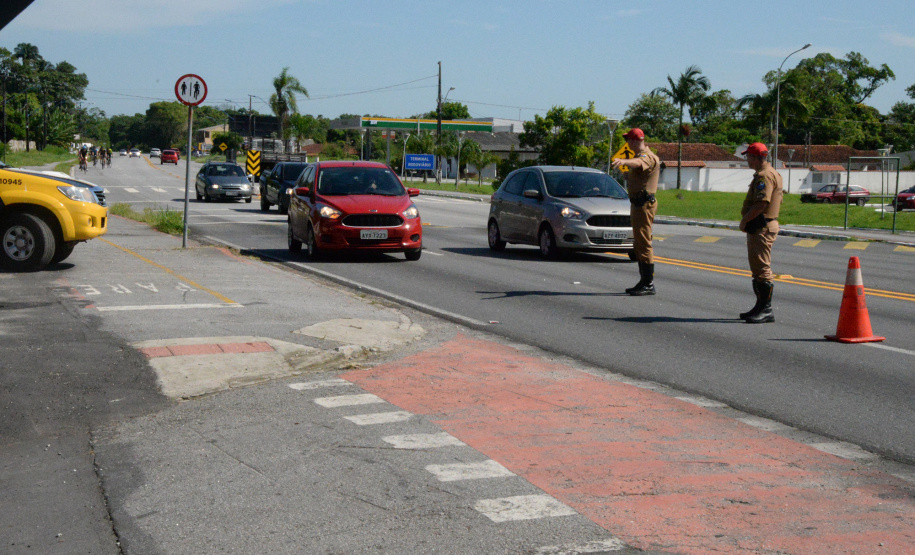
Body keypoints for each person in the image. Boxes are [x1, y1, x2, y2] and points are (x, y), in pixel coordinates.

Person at [611, 128, 660, 296]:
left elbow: (639, 163)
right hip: (637, 204)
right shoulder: (638, 157)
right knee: (638, 243)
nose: (627, 143)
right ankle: (643, 281)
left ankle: (648, 283)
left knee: (644, 242)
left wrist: (624, 162)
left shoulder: (646, 156)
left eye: (628, 140)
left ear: (634, 141)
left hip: (644, 204)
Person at [738, 142, 783, 324]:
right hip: (760, 226)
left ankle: (766, 309)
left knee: (762, 269)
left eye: (748, 156)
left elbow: (761, 203)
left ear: (756, 158)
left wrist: (745, 220)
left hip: (762, 227)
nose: (747, 160)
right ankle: (759, 307)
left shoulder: (764, 176)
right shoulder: (770, 173)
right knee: (757, 269)